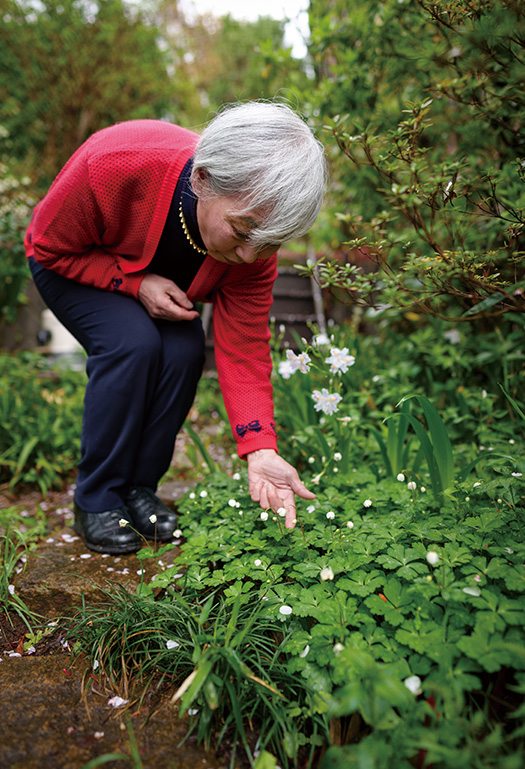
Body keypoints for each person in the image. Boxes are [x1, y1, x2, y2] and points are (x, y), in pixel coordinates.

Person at [25, 101, 327, 554]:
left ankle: (138, 489)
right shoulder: (114, 163)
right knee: (133, 343)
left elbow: (244, 351)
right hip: (72, 265)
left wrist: (260, 447)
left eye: (269, 243)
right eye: (242, 232)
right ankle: (97, 497)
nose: (250, 258)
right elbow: (50, 248)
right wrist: (134, 282)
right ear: (203, 179)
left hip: (151, 292)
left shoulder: (255, 253)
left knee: (185, 348)